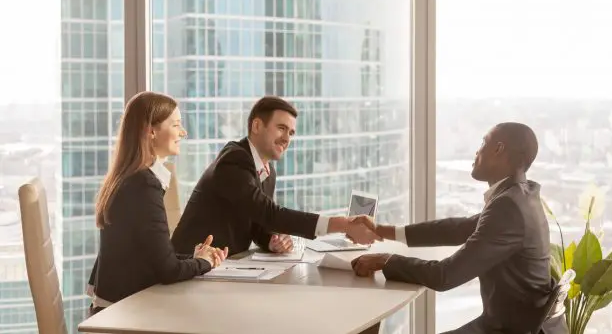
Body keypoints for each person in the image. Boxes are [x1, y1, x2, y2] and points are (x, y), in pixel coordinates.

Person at [351, 122, 567, 334]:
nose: (477, 151)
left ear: (498, 149)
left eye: (483, 142)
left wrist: (386, 261)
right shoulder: (520, 195)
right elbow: (457, 228)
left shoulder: (508, 206)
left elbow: (445, 275)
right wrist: (382, 230)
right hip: (517, 324)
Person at [171, 96, 379, 256]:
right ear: (257, 126)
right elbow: (270, 213)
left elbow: (258, 220)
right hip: (191, 263)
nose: (286, 138)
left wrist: (271, 239)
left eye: (291, 133)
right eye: (281, 128)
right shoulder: (234, 160)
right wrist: (342, 223)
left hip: (225, 265)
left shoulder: (267, 171)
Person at [86, 91, 227, 316]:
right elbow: (168, 271)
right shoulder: (143, 184)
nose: (183, 132)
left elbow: (148, 256)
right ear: (151, 131)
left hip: (116, 307)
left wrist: (195, 257)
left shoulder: (131, 177)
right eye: (176, 125)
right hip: (122, 316)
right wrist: (204, 262)